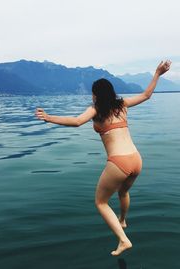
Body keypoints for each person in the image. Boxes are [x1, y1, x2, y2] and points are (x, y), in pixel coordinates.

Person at [35, 60, 171, 256]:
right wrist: (157, 73)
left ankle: (123, 240)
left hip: (119, 162)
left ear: (96, 94)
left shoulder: (96, 109)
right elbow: (146, 95)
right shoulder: (122, 105)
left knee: (100, 202)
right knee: (123, 192)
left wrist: (48, 117)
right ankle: (123, 220)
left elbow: (76, 122)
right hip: (136, 159)